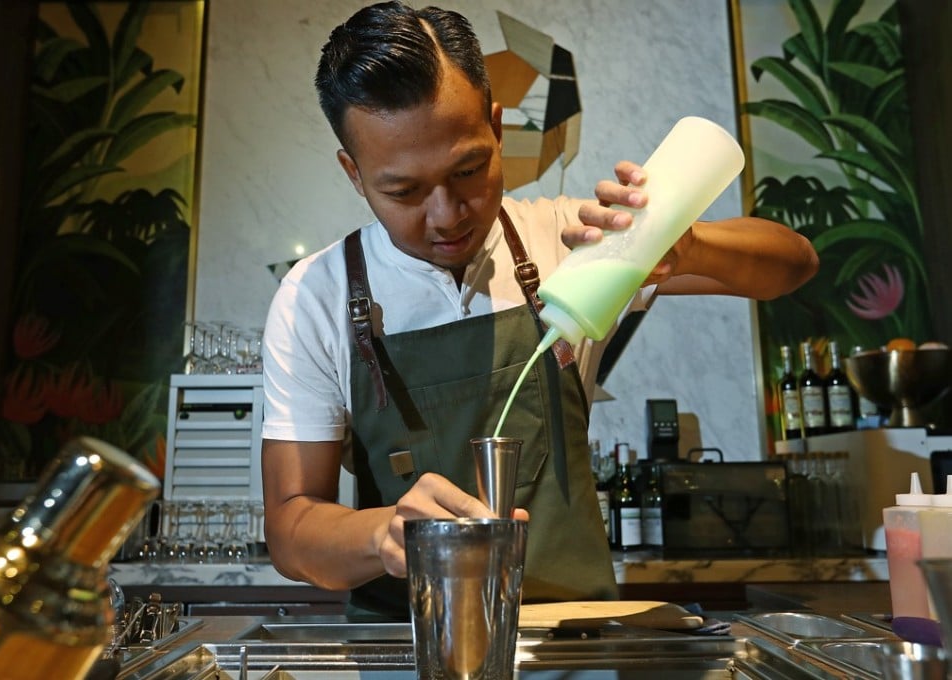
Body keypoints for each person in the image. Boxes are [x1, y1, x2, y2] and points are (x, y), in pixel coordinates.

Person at [260, 1, 818, 618]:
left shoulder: (569, 239)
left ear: (498, 129)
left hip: (577, 643)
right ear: (354, 174)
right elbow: (291, 526)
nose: (446, 214)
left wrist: (684, 244)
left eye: (469, 168)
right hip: (408, 650)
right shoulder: (317, 296)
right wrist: (383, 535)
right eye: (404, 191)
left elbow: (793, 264)